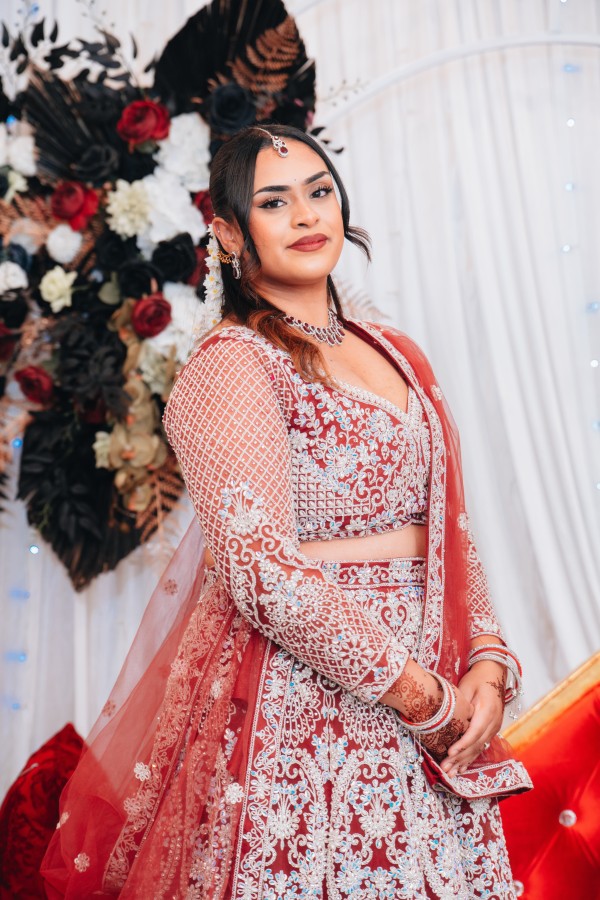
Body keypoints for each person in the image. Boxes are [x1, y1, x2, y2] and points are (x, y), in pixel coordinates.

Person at [41, 124, 531, 899]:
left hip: (438, 704)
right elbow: (261, 573)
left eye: (319, 191)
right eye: (274, 202)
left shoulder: (397, 350)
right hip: (304, 710)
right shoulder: (233, 364)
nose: (305, 215)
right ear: (230, 233)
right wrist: (420, 696)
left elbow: (451, 530)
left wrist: (489, 664)